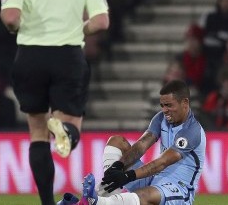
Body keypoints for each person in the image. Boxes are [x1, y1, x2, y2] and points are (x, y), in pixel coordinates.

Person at [0, 0, 109, 204]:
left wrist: (17, 26)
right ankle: (66, 132)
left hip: (30, 56)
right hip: (68, 56)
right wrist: (81, 27)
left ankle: (47, 203)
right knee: (70, 127)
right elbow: (101, 22)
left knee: (37, 133)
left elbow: (11, 18)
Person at [59, 80, 206, 205]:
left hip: (179, 190)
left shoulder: (191, 131)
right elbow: (142, 144)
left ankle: (97, 201)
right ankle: (99, 197)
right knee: (116, 141)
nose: (164, 110)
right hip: (155, 180)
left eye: (169, 105)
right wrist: (119, 165)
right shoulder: (161, 118)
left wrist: (129, 176)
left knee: (145, 195)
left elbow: (163, 162)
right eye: (162, 105)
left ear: (185, 103)